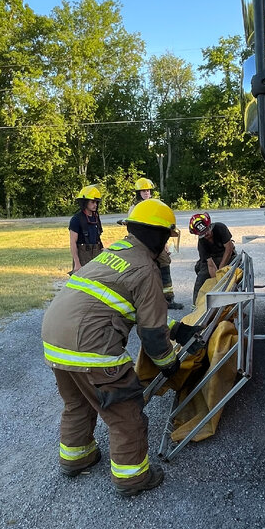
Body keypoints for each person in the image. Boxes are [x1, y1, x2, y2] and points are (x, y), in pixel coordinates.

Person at [42, 198, 181, 496]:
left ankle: (76, 458)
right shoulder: (146, 269)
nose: (167, 247)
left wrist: (177, 328)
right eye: (167, 239)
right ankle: (132, 479)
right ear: (157, 235)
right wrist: (169, 363)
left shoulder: (114, 253)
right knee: (125, 411)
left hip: (55, 338)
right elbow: (153, 335)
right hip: (90, 345)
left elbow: (112, 307)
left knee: (78, 402)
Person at [127, 177, 183, 310]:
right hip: (142, 245)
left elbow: (162, 227)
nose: (146, 193)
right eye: (143, 191)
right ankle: (143, 302)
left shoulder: (156, 205)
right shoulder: (134, 208)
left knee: (164, 265)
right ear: (138, 193)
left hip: (157, 243)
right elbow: (131, 229)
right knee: (143, 270)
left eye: (148, 190)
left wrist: (165, 243)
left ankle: (168, 299)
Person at [188, 212, 237, 302]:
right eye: (203, 234)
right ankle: (196, 306)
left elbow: (229, 248)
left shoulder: (220, 228)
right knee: (201, 276)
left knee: (234, 275)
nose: (206, 235)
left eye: (207, 230)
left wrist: (221, 269)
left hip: (227, 255)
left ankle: (233, 300)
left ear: (210, 225)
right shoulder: (201, 243)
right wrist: (217, 281)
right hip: (212, 260)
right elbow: (210, 265)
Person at [69, 185, 104, 273]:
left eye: (96, 202)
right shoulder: (76, 219)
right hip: (82, 257)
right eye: (92, 202)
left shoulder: (96, 217)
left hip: (96, 256)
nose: (95, 205)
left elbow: (98, 238)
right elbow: (73, 242)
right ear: (85, 202)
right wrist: (77, 263)